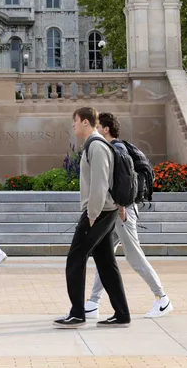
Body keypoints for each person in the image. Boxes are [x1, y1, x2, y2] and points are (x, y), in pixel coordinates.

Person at [84, 112, 173, 319]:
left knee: (134, 256)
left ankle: (162, 299)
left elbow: (123, 181)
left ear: (106, 129)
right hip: (118, 210)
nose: (95, 131)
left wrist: (122, 207)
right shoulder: (117, 147)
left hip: (122, 210)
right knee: (105, 256)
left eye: (98, 127)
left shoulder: (116, 148)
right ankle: (93, 302)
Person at [54, 106, 130, 329]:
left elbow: (99, 184)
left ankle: (77, 313)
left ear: (86, 122)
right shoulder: (95, 145)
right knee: (106, 263)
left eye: (75, 121)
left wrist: (92, 215)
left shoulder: (96, 147)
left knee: (75, 259)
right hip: (105, 211)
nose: (73, 125)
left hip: (99, 212)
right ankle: (122, 314)